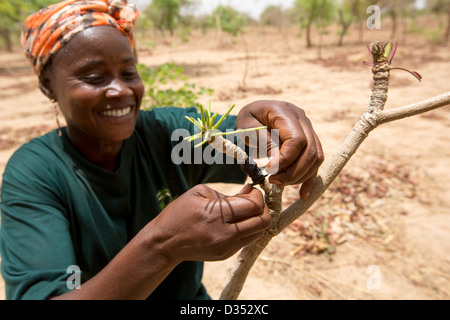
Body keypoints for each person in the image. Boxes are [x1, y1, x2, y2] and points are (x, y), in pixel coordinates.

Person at [0, 0, 324, 300]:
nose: (121, 90)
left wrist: (269, 133)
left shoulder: (167, 137)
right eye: (94, 77)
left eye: (129, 72)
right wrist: (163, 246)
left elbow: (256, 145)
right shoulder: (35, 175)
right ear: (47, 85)